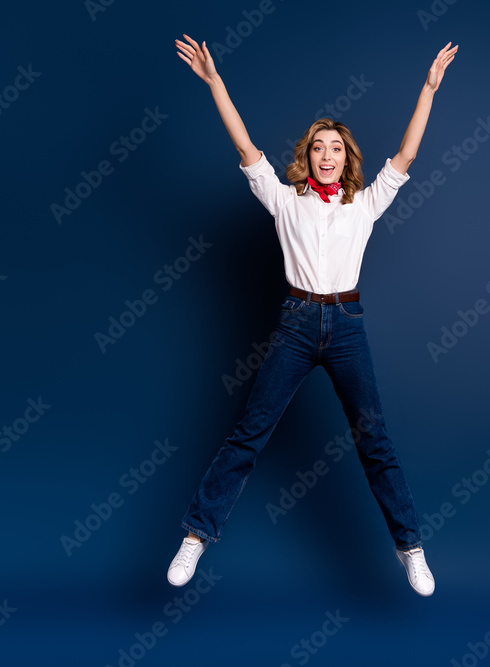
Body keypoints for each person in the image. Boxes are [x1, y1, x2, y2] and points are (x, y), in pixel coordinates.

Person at [169, 32, 458, 597]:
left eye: (337, 148)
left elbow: (408, 156)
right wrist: (214, 83)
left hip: (347, 326)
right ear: (308, 156)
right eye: (319, 147)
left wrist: (427, 91)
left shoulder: (365, 203)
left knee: (375, 443)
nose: (328, 155)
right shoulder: (283, 199)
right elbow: (245, 146)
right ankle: (197, 537)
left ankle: (411, 549)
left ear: (348, 159)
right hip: (296, 325)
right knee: (249, 434)